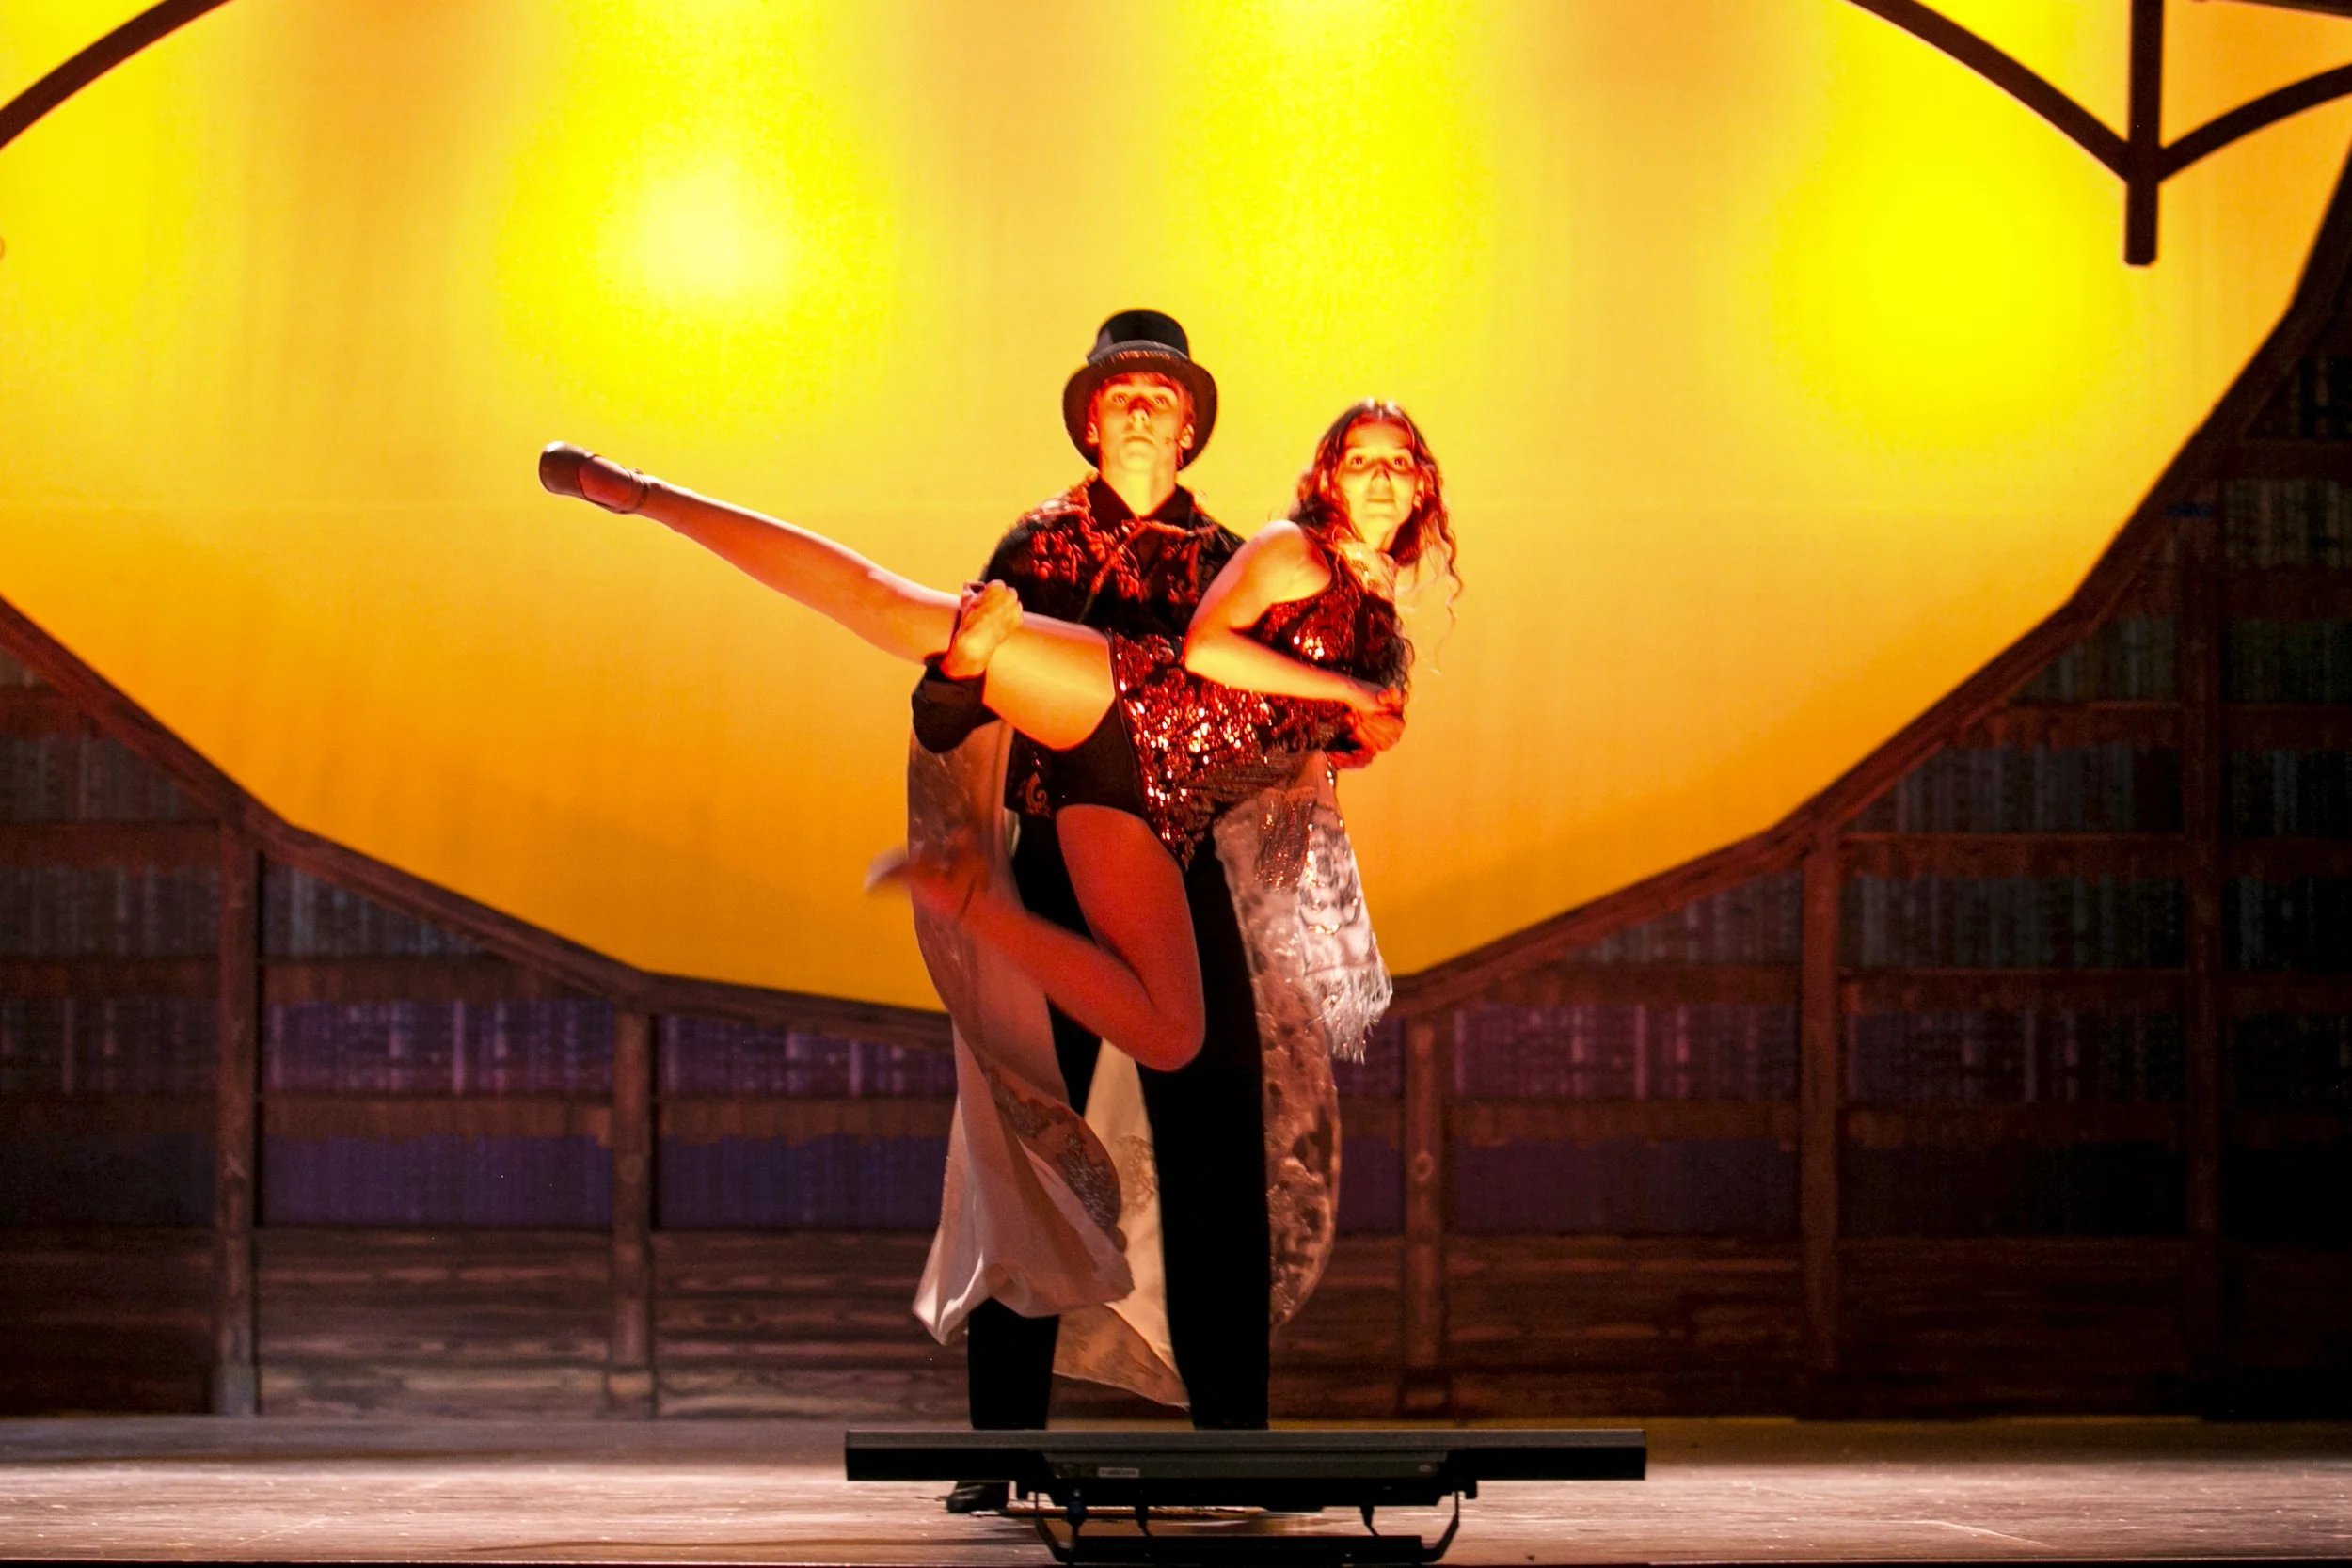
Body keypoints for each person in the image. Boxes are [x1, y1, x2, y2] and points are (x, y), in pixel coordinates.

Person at [538, 313, 1454, 1449]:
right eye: (1121, 393)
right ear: (1091, 419)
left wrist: (1350, 728)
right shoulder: (1130, 545)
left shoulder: (1259, 562)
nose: (1139, 409)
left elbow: (1285, 737)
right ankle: (641, 492)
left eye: (1160, 396)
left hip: (1169, 833)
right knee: (1028, 1122)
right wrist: (967, 672)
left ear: (1188, 430)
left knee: (1191, 1072)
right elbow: (1052, 687)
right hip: (1087, 770)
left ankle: (1234, 1431)